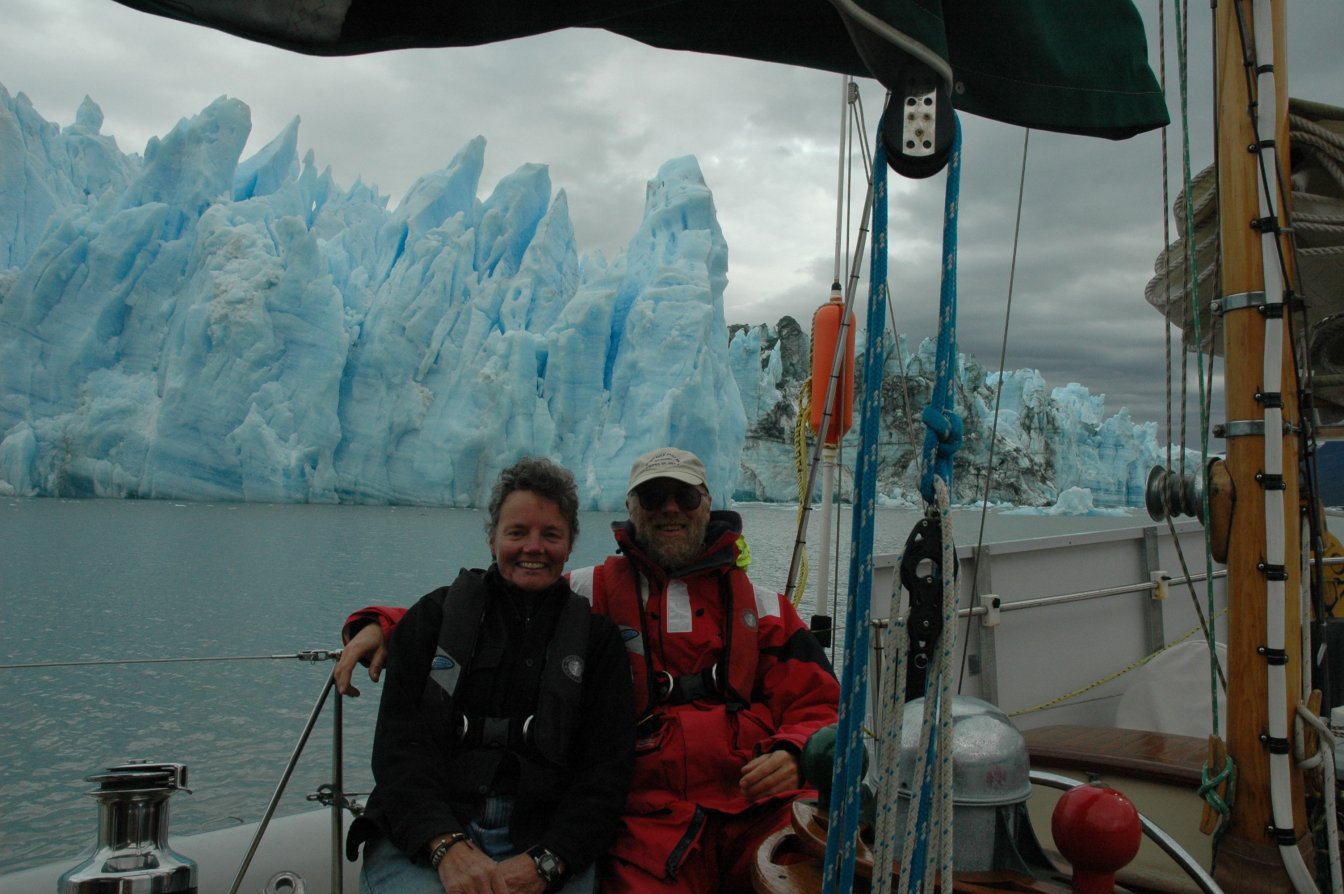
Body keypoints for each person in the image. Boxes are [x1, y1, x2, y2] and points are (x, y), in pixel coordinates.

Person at [337, 447, 840, 894]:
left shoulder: (764, 607)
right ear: (631, 509)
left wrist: (795, 751)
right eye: (653, 497)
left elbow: (820, 701)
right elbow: (493, 600)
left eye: (685, 498)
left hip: (756, 804)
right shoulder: (589, 591)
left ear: (709, 505)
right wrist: (385, 624)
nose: (669, 509)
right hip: (652, 821)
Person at [345, 457, 635, 894]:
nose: (533, 548)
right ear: (492, 537)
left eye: (550, 534)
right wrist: (443, 844)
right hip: (429, 829)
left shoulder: (596, 642)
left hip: (543, 836)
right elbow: (399, 753)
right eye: (517, 532)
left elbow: (604, 775)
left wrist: (550, 860)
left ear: (570, 542)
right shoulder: (434, 620)